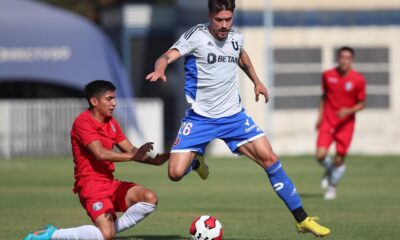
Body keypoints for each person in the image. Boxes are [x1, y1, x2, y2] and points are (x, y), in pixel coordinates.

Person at [146, 0, 330, 237]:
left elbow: (241, 57)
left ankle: (302, 219)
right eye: (219, 20)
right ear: (210, 16)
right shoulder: (196, 36)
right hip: (200, 118)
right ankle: (196, 162)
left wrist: (257, 81)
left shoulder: (236, 36)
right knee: (174, 174)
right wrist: (160, 68)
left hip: (233, 116)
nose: (224, 25)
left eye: (228, 19)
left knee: (270, 159)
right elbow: (165, 56)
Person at [24, 80, 169, 240]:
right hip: (90, 186)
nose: (114, 103)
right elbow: (100, 153)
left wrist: (153, 161)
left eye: (114, 98)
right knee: (106, 234)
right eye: (109, 99)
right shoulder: (83, 122)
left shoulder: (111, 122)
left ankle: (108, 230)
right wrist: (134, 156)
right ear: (94, 101)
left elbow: (130, 149)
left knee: (149, 198)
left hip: (110, 183)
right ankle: (52, 235)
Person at [316, 47, 366, 200]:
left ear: (352, 60)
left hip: (346, 124)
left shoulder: (358, 80)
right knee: (320, 155)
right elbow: (324, 97)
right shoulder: (328, 75)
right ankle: (331, 170)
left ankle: (332, 188)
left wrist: (348, 111)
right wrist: (319, 117)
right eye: (342, 57)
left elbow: (361, 103)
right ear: (338, 58)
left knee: (339, 158)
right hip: (328, 120)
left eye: (348, 57)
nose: (344, 60)